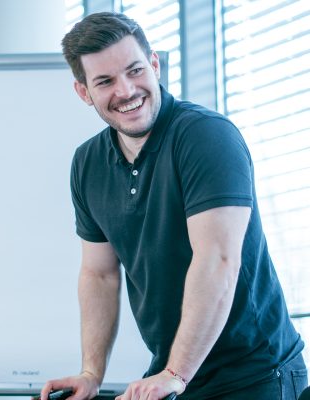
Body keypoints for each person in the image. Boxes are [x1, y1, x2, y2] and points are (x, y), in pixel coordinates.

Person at [40, 11, 307, 400]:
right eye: (105, 81)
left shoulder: (205, 136)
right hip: (177, 376)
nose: (126, 90)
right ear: (84, 92)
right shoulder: (88, 163)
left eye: (134, 70)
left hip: (255, 373)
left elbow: (217, 260)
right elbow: (100, 274)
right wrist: (91, 373)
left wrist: (175, 372)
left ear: (154, 64)